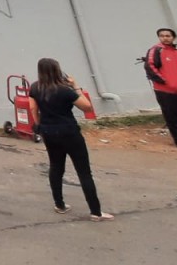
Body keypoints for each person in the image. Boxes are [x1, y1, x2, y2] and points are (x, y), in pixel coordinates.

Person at [28, 58, 114, 221]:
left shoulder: (35, 87)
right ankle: (95, 211)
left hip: (49, 131)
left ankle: (59, 204)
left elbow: (33, 107)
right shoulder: (65, 90)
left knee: (55, 167)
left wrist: (39, 124)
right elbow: (87, 107)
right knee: (83, 171)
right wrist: (76, 86)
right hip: (69, 131)